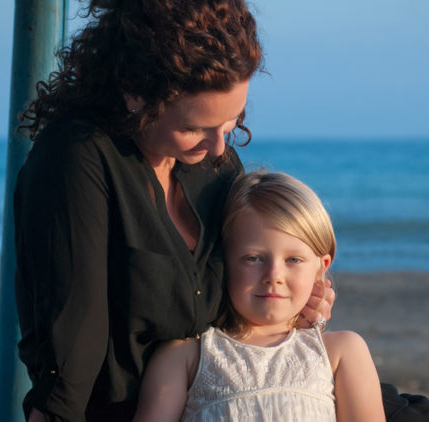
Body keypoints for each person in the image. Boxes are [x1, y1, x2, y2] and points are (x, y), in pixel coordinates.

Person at [13, 0, 334, 421]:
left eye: (231, 121)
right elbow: (72, 347)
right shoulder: (78, 158)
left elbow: (247, 292)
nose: (220, 146)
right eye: (193, 127)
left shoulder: (215, 164)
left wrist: (300, 302)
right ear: (136, 95)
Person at [133, 171, 387, 422]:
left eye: (294, 259)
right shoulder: (186, 356)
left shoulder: (340, 352)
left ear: (322, 266)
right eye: (253, 258)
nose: (273, 275)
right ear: (223, 261)